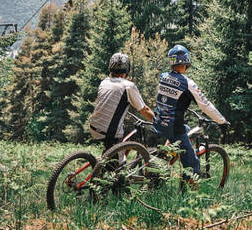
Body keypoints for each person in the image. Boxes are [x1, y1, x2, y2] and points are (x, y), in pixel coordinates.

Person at [153, 45, 229, 175]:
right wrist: (222, 122)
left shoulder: (163, 77)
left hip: (158, 121)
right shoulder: (187, 83)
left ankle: (163, 158)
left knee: (187, 129)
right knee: (192, 164)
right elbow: (205, 105)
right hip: (174, 127)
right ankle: (187, 192)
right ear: (187, 62)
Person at [89, 52, 154, 152]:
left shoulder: (104, 82)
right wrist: (157, 122)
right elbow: (144, 110)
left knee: (108, 155)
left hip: (94, 127)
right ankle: (114, 164)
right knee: (118, 166)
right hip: (109, 133)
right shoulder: (128, 86)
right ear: (127, 69)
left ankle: (102, 163)